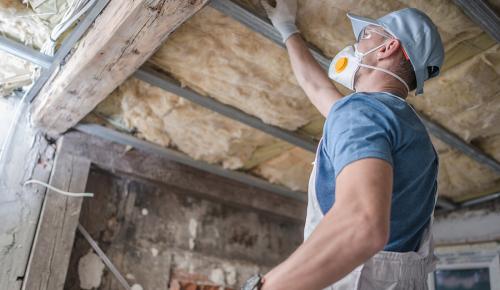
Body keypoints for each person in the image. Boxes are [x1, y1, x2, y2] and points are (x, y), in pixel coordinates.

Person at [241, 1, 444, 289]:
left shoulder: (361, 112)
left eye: (365, 36)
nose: (354, 45)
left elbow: (361, 226)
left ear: (388, 48)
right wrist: (288, 29)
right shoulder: (409, 132)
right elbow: (316, 87)